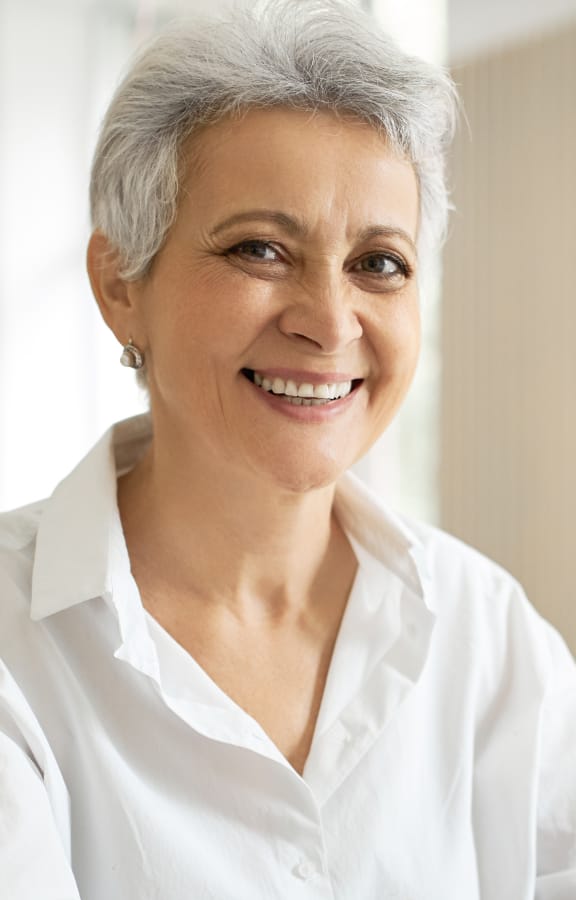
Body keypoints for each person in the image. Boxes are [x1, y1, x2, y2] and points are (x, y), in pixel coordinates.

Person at [0, 0, 574, 897]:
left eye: (379, 262)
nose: (330, 321)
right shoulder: (12, 648)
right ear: (120, 284)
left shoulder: (494, 639)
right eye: (260, 249)